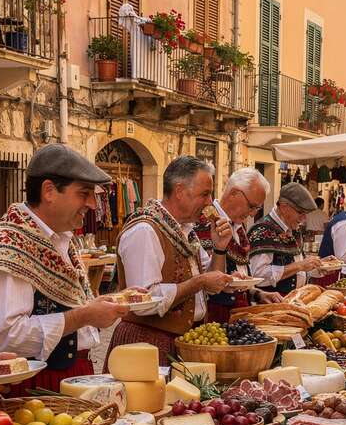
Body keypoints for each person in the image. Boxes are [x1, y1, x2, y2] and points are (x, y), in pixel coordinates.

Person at [0, 144, 129, 392]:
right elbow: (4, 338)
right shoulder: (6, 244)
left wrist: (102, 305)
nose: (93, 204)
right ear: (49, 191)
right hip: (32, 390)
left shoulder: (62, 238)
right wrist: (83, 316)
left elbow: (66, 302)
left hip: (70, 381)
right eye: (84, 193)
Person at [106, 156, 234, 365]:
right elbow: (143, 302)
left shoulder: (185, 231)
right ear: (179, 191)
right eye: (205, 194)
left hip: (178, 343)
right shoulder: (144, 230)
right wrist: (199, 282)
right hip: (145, 346)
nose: (209, 202)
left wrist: (220, 248)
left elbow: (213, 285)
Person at [192, 168, 276, 322]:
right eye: (251, 206)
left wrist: (257, 293)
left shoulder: (239, 226)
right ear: (234, 193)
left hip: (240, 320)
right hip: (214, 322)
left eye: (257, 208)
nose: (253, 214)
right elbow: (202, 281)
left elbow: (240, 277)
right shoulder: (203, 223)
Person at [249, 183, 326, 295]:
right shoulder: (262, 230)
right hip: (273, 303)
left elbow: (299, 270)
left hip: (295, 299)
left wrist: (319, 267)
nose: (304, 219)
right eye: (301, 213)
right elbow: (258, 275)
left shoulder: (293, 229)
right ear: (284, 207)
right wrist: (299, 266)